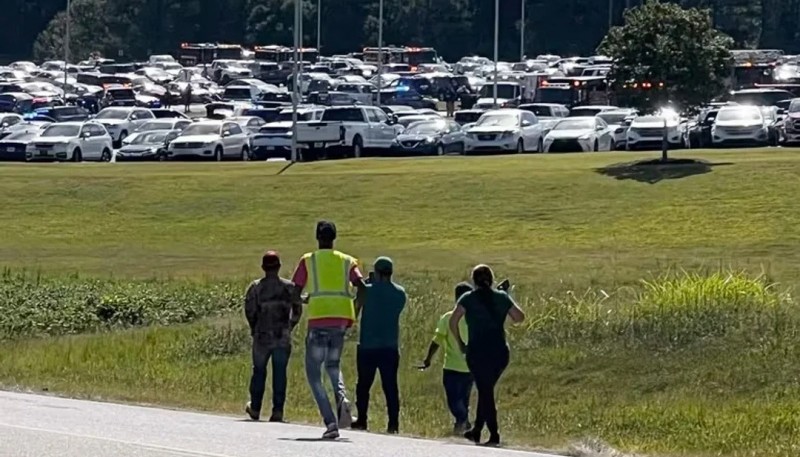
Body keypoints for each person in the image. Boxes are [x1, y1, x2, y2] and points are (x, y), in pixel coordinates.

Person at [292, 221, 368, 440]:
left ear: (317, 237)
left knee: (314, 374)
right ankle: (342, 398)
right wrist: (355, 310)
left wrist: (306, 299)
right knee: (333, 365)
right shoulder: (347, 261)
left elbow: (295, 291)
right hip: (341, 321)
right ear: (335, 238)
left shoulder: (309, 260)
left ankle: (331, 421)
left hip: (318, 320)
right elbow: (362, 287)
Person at [449, 265, 525, 447]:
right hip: (499, 352)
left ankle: (493, 434)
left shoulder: (467, 298)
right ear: (491, 279)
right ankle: (477, 431)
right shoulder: (501, 297)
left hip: (477, 352)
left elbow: (453, 321)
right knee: (486, 389)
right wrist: (505, 299)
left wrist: (460, 343)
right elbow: (519, 317)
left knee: (485, 390)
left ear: (474, 281)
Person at [244, 251, 303, 423]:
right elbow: (298, 310)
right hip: (282, 337)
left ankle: (255, 407)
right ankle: (278, 411)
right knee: (280, 374)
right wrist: (290, 326)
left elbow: (250, 311)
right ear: (279, 267)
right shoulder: (289, 287)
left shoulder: (255, 287)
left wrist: (254, 327)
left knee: (259, 372)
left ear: (263, 267)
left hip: (262, 337)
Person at [351, 257, 407, 434]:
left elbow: (355, 309)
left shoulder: (367, 291)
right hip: (389, 346)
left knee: (363, 385)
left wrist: (366, 287)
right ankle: (393, 424)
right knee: (390, 386)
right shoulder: (400, 293)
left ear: (377, 272)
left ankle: (362, 419)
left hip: (368, 345)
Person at [419, 281, 474, 434]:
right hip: (470, 368)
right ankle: (461, 424)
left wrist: (428, 359)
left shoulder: (448, 318)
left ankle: (463, 420)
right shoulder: (475, 318)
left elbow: (436, 341)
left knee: (454, 400)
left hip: (451, 367)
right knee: (464, 398)